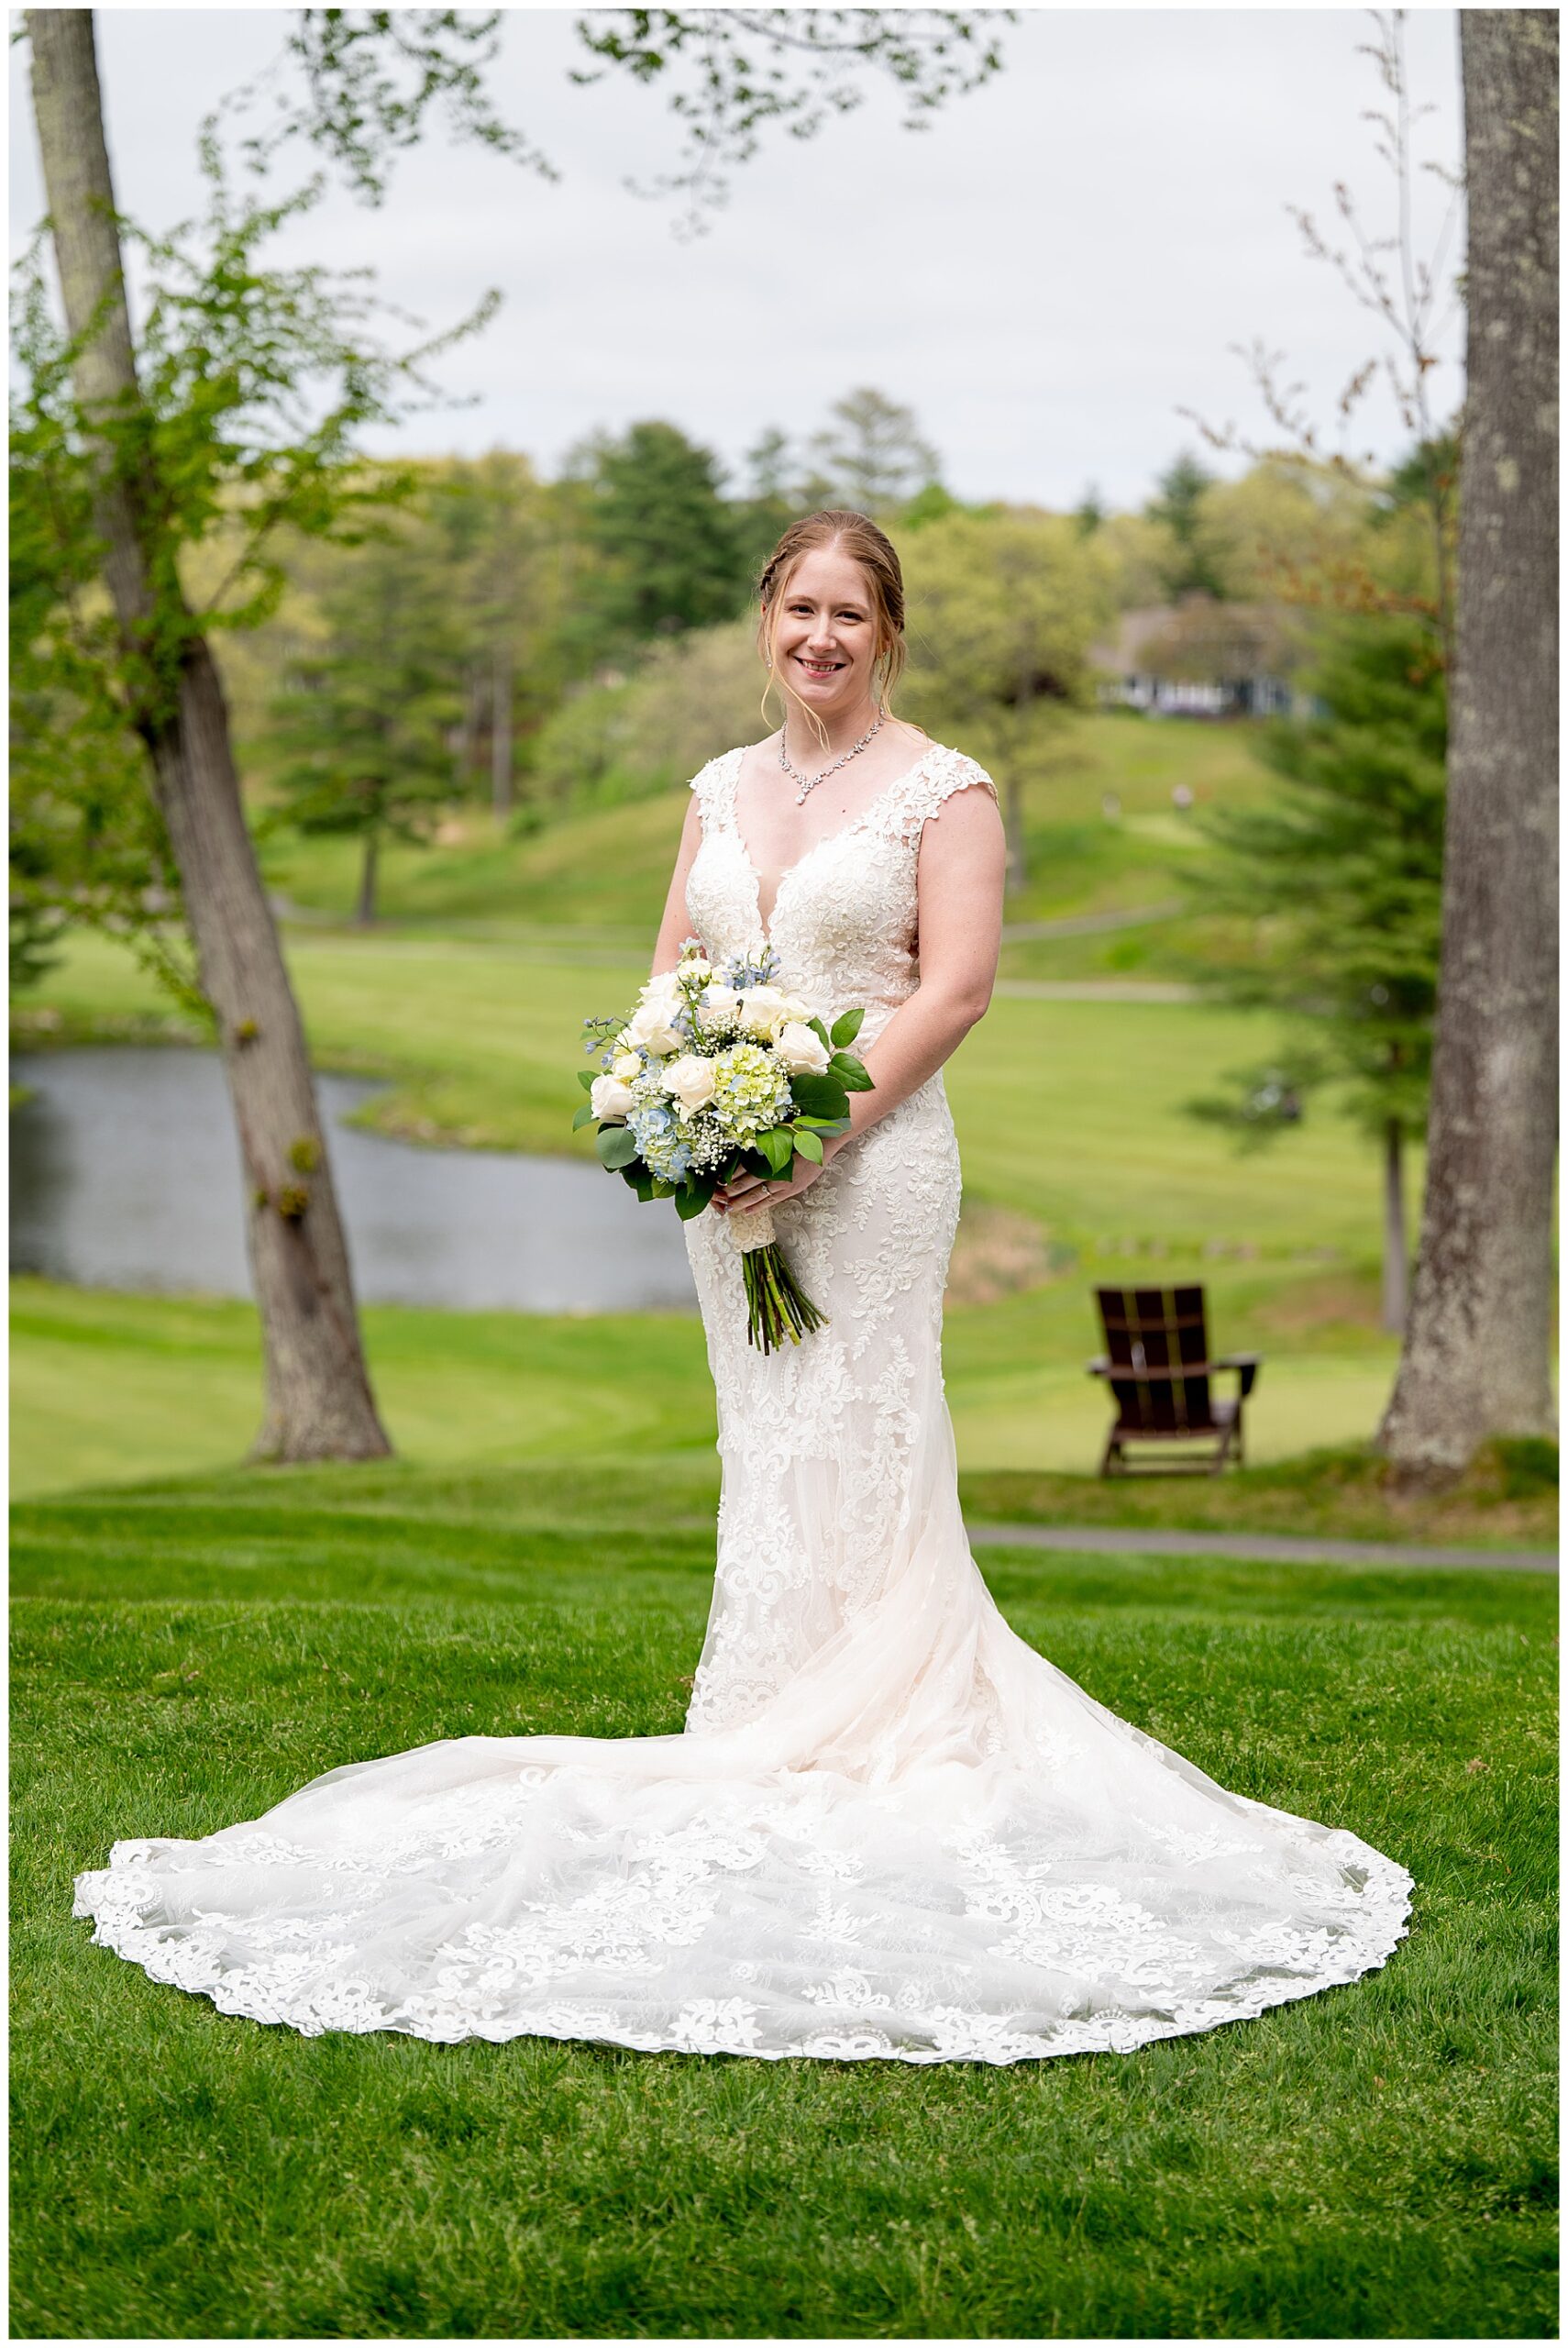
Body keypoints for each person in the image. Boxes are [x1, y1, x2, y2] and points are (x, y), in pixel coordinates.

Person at [74, 510, 1411, 2062]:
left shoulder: (945, 791)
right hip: (727, 1184)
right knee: (766, 1445)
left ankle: (877, 1726)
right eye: (799, 610)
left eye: (850, 613)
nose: (821, 638)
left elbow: (959, 986)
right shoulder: (717, 785)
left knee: (863, 1427)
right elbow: (670, 976)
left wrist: (820, 1134)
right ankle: (764, 1718)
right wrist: (676, 1116)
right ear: (763, 621)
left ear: (887, 631)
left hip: (878, 1168)